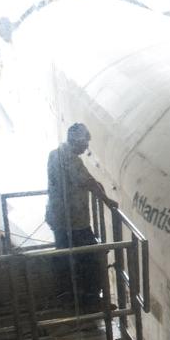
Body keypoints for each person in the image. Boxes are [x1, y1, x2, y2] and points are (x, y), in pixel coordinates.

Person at [46, 123, 116, 310]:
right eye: (85, 142)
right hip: (74, 221)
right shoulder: (72, 159)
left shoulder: (54, 154)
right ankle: (92, 301)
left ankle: (69, 299)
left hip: (58, 218)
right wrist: (108, 201)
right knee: (92, 259)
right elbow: (89, 183)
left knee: (67, 259)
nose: (86, 147)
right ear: (77, 141)